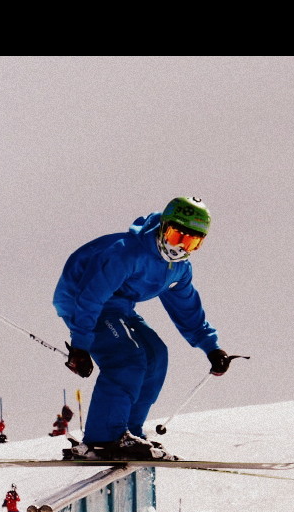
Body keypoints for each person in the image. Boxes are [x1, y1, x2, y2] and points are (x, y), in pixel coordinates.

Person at [53, 196, 233, 461]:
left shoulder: (178, 268)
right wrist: (80, 345)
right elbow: (91, 296)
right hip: (81, 300)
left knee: (155, 354)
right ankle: (103, 438)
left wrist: (211, 347)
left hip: (118, 307)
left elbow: (186, 308)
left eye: (191, 242)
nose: (179, 247)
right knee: (127, 358)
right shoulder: (128, 253)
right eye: (175, 236)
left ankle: (128, 432)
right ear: (163, 227)